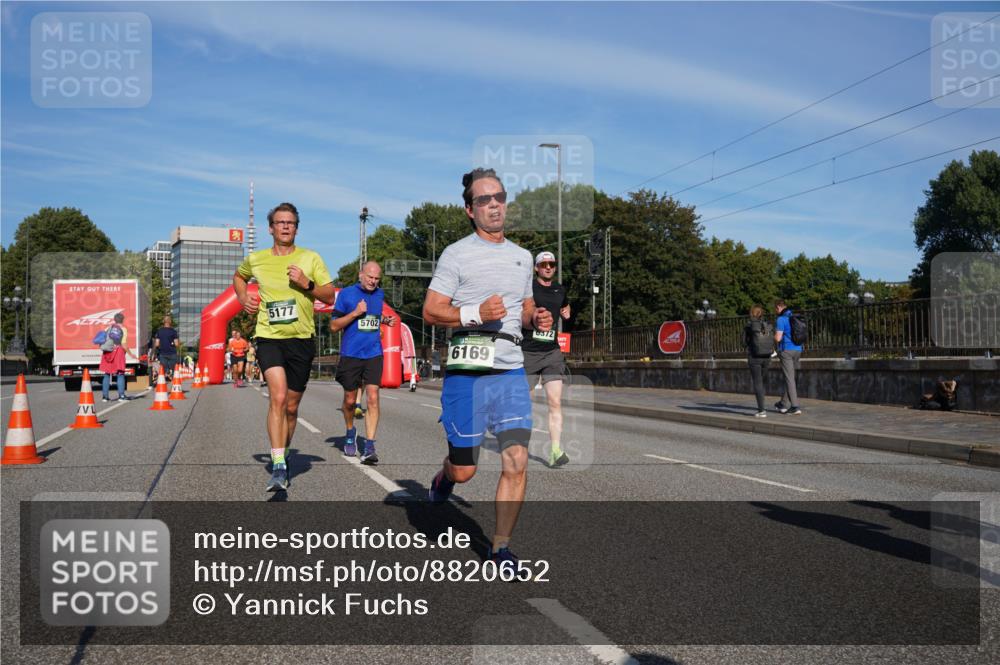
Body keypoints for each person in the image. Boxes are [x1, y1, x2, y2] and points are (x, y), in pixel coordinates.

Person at [422, 167, 553, 568]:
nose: (494, 205)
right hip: (468, 370)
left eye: (499, 197)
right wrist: (475, 312)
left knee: (517, 459)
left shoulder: (521, 256)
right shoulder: (456, 254)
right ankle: (444, 477)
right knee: (465, 471)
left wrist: (535, 319)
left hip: (511, 370)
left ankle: (500, 547)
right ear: (469, 210)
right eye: (484, 200)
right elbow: (431, 311)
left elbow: (524, 307)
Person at [233, 202, 335, 491]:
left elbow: (328, 297)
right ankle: (278, 466)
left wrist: (307, 283)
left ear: (297, 228)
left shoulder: (310, 258)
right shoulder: (256, 259)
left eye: (290, 222)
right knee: (277, 397)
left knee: (291, 407)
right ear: (271, 228)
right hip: (269, 337)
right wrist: (243, 299)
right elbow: (239, 277)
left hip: (301, 339)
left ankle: (284, 454)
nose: (286, 226)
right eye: (280, 222)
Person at [330, 261, 396, 465]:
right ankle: (350, 432)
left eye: (377, 279)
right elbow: (333, 326)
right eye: (370, 277)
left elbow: (372, 317)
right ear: (361, 275)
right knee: (350, 401)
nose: (373, 282)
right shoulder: (346, 294)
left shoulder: (379, 294)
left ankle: (369, 446)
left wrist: (385, 320)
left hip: (374, 353)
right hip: (351, 353)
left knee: (373, 397)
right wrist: (355, 313)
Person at [521, 251, 572, 467]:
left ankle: (555, 450)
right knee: (525, 405)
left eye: (552, 264)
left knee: (555, 402)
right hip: (528, 353)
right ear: (536, 268)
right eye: (544, 264)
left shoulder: (560, 289)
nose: (548, 267)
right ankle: (520, 448)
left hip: (552, 352)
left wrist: (567, 312)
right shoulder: (529, 288)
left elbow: (565, 307)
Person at [99, 312, 138, 402]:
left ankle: (105, 397)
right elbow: (123, 344)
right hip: (118, 352)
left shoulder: (108, 328)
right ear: (123, 320)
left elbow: (102, 340)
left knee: (107, 373)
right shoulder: (123, 329)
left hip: (107, 352)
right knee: (120, 373)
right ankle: (121, 396)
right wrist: (130, 354)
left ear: (114, 319)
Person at [773, 299, 803, 415]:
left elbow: (778, 338)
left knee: (789, 378)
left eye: (775, 309)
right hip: (798, 349)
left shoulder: (781, 319)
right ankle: (783, 403)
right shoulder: (794, 317)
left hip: (786, 351)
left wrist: (772, 335)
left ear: (778, 307)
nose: (775, 311)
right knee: (789, 377)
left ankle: (795, 406)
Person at [743, 305, 773, 418]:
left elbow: (743, 342)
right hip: (767, 357)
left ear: (752, 313)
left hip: (754, 357)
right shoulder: (767, 324)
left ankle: (761, 410)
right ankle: (762, 407)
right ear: (761, 313)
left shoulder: (749, 325)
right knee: (762, 382)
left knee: (758, 383)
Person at [153, 315, 181, 379]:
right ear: (170, 322)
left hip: (163, 353)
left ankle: (164, 381)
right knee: (175, 370)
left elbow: (157, 344)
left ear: (163, 322)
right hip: (172, 353)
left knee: (163, 370)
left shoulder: (159, 331)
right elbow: (176, 344)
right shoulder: (173, 331)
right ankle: (175, 383)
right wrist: (173, 343)